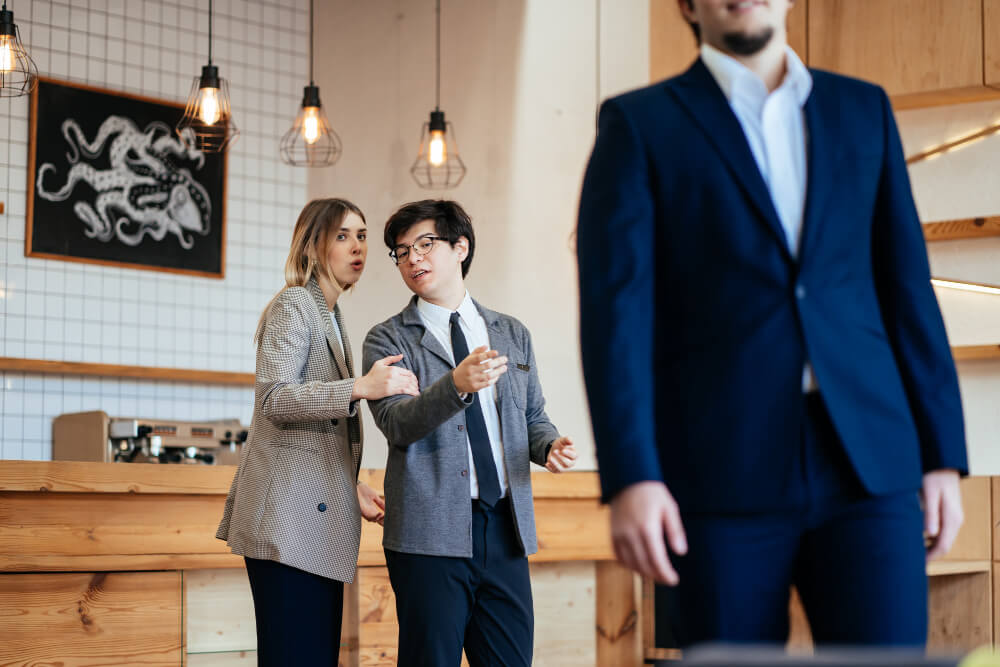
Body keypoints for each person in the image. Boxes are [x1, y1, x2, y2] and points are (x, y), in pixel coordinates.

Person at [576, 0, 968, 647]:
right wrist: (631, 473)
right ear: (688, 5)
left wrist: (942, 454)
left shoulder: (863, 109)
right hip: (716, 469)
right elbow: (617, 315)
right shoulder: (639, 125)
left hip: (870, 464)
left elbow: (906, 291)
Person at [362, 199, 578, 667]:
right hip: (428, 534)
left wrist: (549, 445)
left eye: (425, 244)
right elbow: (397, 424)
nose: (413, 258)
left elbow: (532, 415)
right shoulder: (389, 338)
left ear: (460, 247)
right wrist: (456, 386)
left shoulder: (511, 332)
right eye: (401, 252)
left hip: (505, 528)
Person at [216, 198, 419, 665]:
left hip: (309, 524)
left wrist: (350, 485)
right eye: (343, 236)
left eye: (363, 236)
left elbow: (313, 435)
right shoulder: (294, 305)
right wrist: (360, 386)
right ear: (313, 246)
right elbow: (275, 399)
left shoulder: (329, 312)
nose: (357, 248)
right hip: (287, 528)